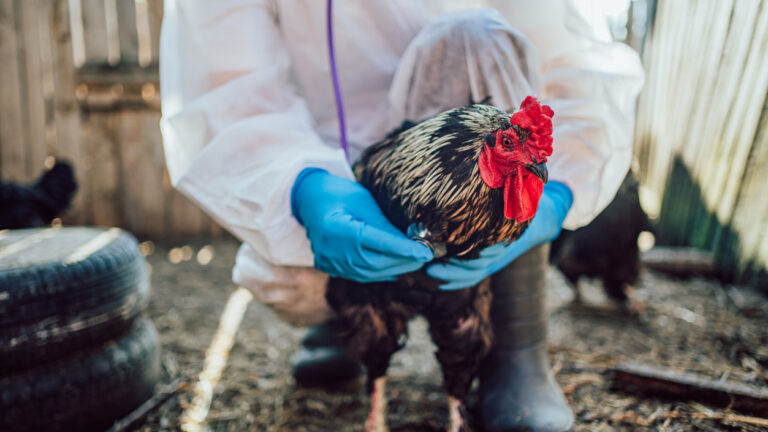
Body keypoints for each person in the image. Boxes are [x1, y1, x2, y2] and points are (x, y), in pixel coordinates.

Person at [159, 2, 644, 431]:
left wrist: (556, 192)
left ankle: (516, 345)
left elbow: (567, 58)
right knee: (281, 271)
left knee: (478, 34)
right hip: (332, 155)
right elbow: (224, 83)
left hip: (465, 159)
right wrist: (302, 183)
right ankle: (343, 322)